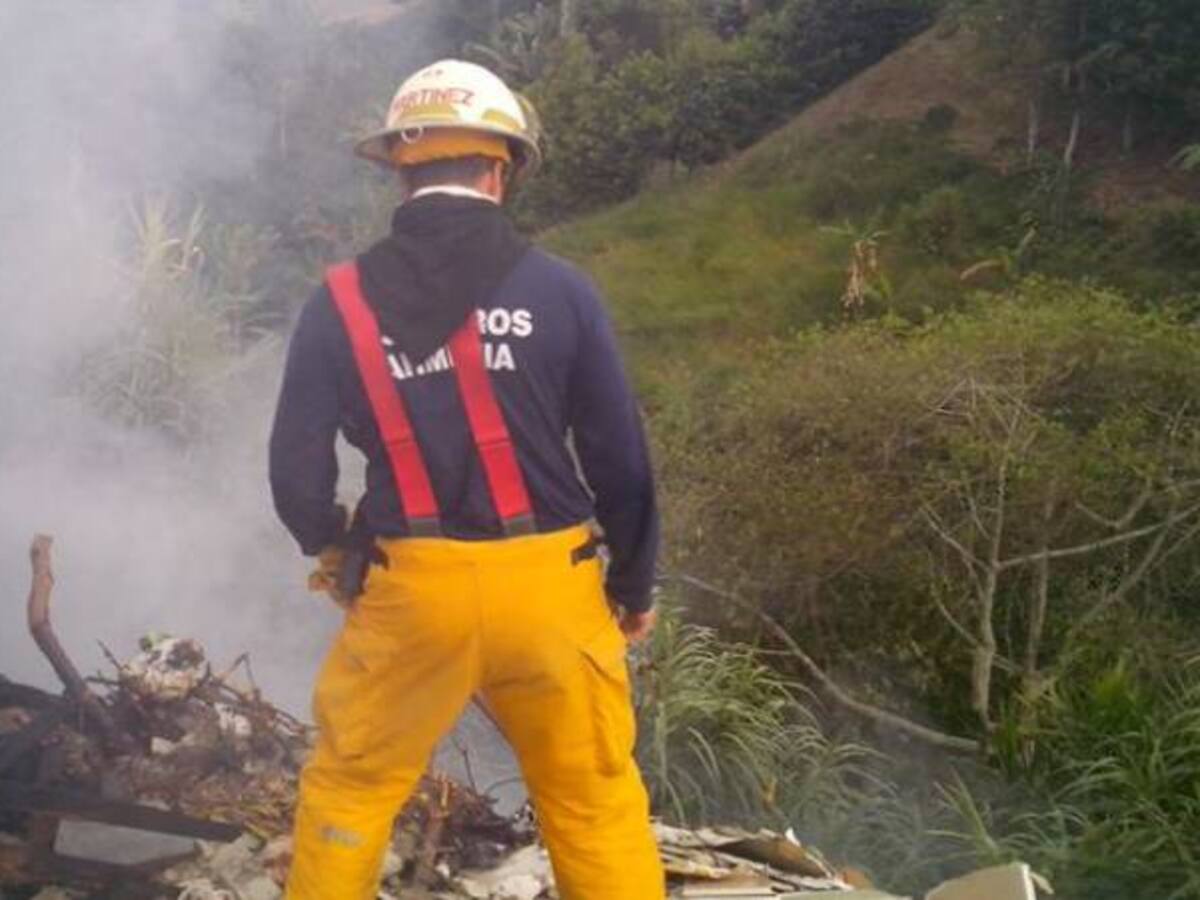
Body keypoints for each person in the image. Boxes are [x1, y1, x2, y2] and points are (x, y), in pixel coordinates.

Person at [269, 59, 665, 900]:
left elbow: (295, 473)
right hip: (551, 595)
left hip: (411, 592)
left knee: (351, 789)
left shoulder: (335, 303)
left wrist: (335, 546)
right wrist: (633, 583)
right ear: (500, 166)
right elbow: (621, 462)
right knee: (593, 803)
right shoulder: (562, 291)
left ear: (402, 169)